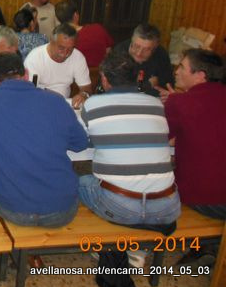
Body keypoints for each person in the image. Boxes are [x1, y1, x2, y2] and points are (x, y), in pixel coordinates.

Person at [0, 52, 88, 227]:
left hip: (14, 211)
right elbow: (80, 144)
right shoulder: (56, 101)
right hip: (62, 211)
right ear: (27, 74)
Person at [78, 51, 180, 228]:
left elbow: (86, 140)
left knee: (81, 181)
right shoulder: (156, 104)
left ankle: (124, 230)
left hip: (121, 206)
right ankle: (142, 232)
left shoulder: (92, 104)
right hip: (167, 207)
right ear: (138, 77)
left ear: (104, 79)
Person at [163, 49, 225, 219]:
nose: (176, 71)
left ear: (200, 76)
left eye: (182, 67)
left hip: (206, 198)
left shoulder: (179, 102)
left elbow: (158, 140)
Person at [24, 23, 92, 108]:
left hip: (65, 104)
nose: (65, 53)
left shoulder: (78, 57)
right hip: (39, 104)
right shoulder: (34, 58)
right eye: (61, 48)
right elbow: (28, 92)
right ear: (51, 41)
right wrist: (54, 96)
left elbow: (86, 88)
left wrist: (83, 94)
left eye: (70, 49)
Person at [114, 24, 173, 97]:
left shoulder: (161, 55)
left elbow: (167, 84)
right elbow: (118, 89)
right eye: (136, 46)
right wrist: (149, 84)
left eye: (146, 50)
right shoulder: (119, 53)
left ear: (155, 48)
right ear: (132, 40)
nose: (139, 53)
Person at [54, 0, 113, 67]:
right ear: (75, 15)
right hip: (100, 72)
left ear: (58, 19)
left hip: (75, 72)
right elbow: (109, 52)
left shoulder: (59, 39)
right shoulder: (98, 28)